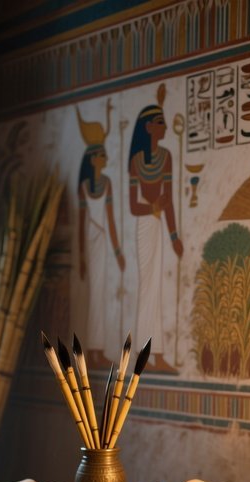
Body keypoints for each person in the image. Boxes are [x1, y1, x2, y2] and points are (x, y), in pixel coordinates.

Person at [129, 88, 183, 373]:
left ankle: (155, 352)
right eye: (160, 123)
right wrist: (152, 209)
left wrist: (174, 236)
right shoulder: (137, 162)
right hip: (145, 225)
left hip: (158, 225)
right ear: (149, 127)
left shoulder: (166, 157)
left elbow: (169, 200)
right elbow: (133, 206)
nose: (164, 127)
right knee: (145, 287)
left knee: (157, 288)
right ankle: (144, 352)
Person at [76, 102, 125, 370]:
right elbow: (82, 223)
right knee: (94, 296)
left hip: (104, 242)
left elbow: (111, 220)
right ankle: (92, 350)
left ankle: (99, 349)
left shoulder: (106, 184)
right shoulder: (84, 186)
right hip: (91, 242)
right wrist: (81, 255)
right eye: (102, 156)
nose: (105, 160)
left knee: (103, 295)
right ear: (93, 159)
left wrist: (117, 251)